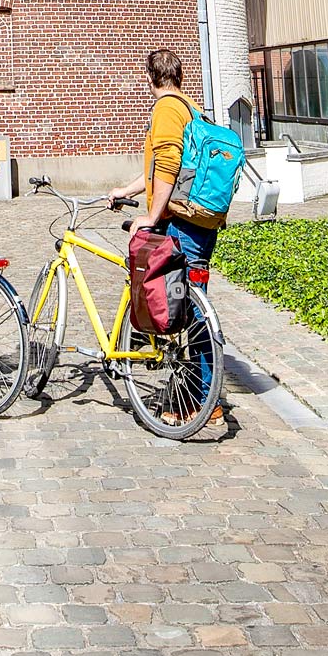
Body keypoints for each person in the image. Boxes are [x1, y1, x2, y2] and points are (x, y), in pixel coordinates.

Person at [128, 47, 224, 420]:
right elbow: (162, 167)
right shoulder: (190, 107)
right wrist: (127, 191)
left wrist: (151, 217)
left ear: (149, 78)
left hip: (183, 223)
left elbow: (168, 164)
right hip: (200, 221)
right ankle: (199, 393)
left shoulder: (166, 109)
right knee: (187, 305)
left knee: (188, 310)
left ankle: (202, 400)